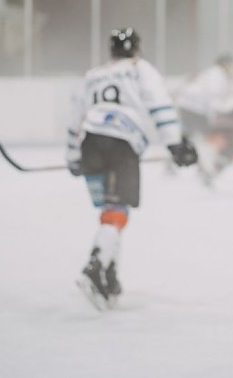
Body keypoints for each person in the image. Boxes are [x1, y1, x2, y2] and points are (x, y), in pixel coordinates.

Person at [66, 27, 198, 309]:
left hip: (90, 141)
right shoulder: (140, 69)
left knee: (110, 211)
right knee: (117, 209)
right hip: (121, 141)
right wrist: (174, 143)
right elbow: (159, 105)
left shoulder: (93, 75)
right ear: (136, 49)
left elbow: (75, 115)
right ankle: (96, 265)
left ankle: (109, 275)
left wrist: (72, 155)